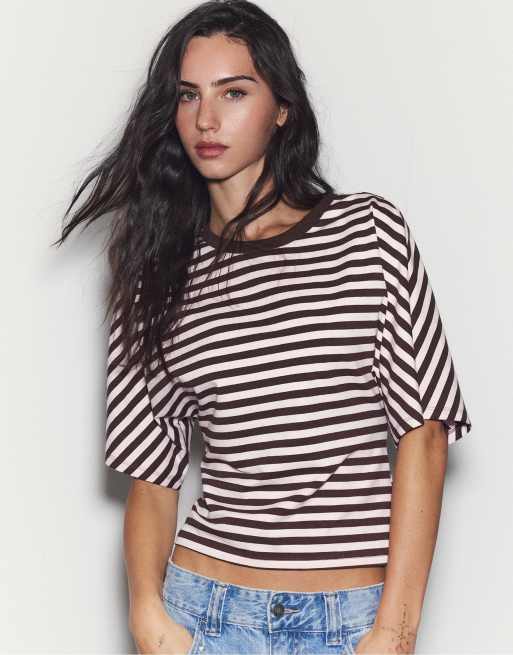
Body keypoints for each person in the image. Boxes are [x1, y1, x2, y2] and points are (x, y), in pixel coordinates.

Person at [54, 1, 472, 653]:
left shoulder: (365, 233)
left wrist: (395, 631)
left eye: (234, 92)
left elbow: (424, 433)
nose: (206, 118)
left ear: (282, 108)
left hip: (347, 621)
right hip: (203, 612)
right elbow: (151, 472)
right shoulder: (157, 270)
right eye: (188, 95)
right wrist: (148, 616)